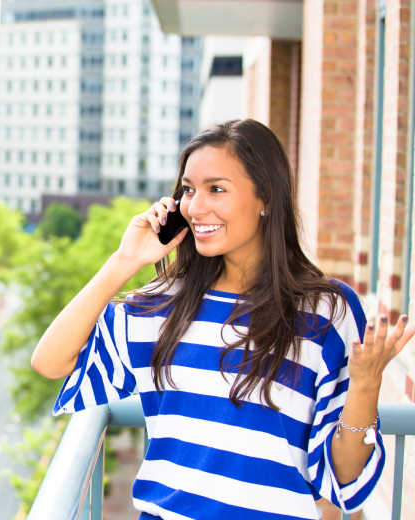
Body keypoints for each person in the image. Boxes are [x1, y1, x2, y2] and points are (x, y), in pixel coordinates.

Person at [31, 119, 415, 520]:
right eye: (189, 191)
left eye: (216, 189)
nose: (196, 207)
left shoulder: (327, 312)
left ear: (265, 195)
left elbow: (345, 481)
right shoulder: (163, 306)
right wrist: (124, 261)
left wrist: (368, 383)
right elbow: (50, 361)